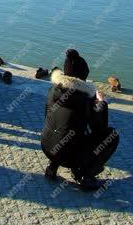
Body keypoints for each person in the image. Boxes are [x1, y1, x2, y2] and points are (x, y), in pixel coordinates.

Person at [41, 49, 120, 191]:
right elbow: (99, 129)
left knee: (59, 127)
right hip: (68, 156)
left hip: (47, 147)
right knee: (112, 136)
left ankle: (52, 167)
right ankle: (86, 176)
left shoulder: (53, 91)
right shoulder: (84, 99)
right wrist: (102, 104)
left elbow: (48, 116)